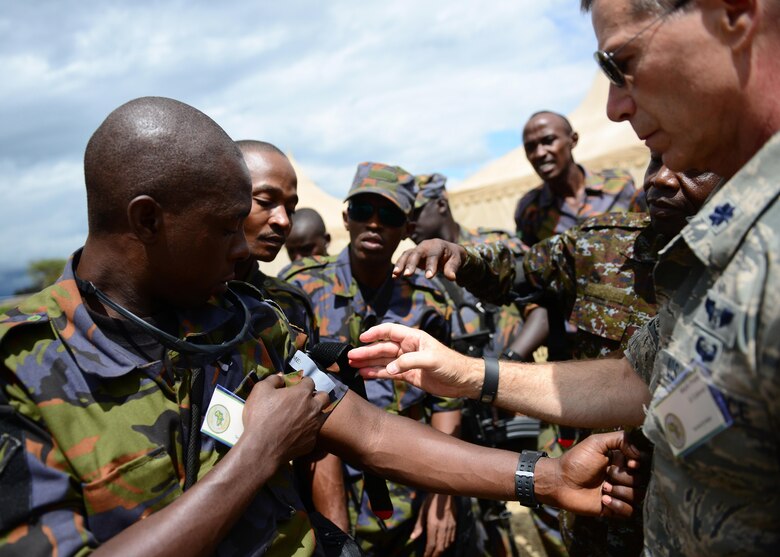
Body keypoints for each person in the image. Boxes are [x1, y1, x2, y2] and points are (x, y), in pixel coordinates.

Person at [0, 97, 642, 557]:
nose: (245, 248)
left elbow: (370, 432)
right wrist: (255, 456)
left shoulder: (246, 321)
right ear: (147, 221)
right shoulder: (20, 363)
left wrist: (548, 478)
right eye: (226, 228)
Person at [350, 0, 780, 554]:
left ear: (734, 14)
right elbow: (637, 379)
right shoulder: (722, 244)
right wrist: (463, 372)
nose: (615, 106)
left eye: (624, 62)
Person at [283, 163, 467, 557]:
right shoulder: (301, 288)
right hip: (326, 484)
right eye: (363, 210)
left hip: (412, 481)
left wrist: (443, 497)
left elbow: (446, 401)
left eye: (389, 216)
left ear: (407, 228)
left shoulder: (427, 301)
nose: (374, 223)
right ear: (346, 218)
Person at [514, 110, 644, 247]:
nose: (539, 153)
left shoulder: (619, 183)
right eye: (530, 147)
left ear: (573, 140)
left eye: (549, 141)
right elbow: (529, 256)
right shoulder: (530, 209)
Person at [234, 140, 318, 343]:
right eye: (265, 201)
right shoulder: (176, 296)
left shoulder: (290, 304)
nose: (284, 221)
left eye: (290, 209)